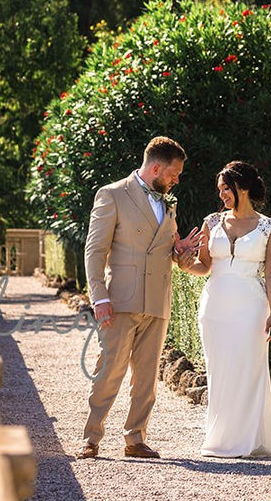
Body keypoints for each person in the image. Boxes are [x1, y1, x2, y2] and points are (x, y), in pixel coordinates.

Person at [174, 161, 271, 457]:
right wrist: (186, 264)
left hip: (251, 307)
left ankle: (251, 440)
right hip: (214, 306)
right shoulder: (211, 223)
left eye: (226, 189)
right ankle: (221, 438)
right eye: (219, 190)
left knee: (249, 371)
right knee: (220, 372)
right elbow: (204, 266)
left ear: (242, 187)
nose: (222, 196)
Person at [77, 136, 192, 460]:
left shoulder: (169, 203)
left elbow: (166, 249)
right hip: (120, 300)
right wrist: (99, 298)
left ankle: (135, 439)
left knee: (147, 379)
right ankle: (91, 437)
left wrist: (179, 252)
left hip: (157, 300)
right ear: (156, 167)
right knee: (108, 372)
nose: (176, 180)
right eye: (174, 173)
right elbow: (95, 251)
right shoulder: (112, 194)